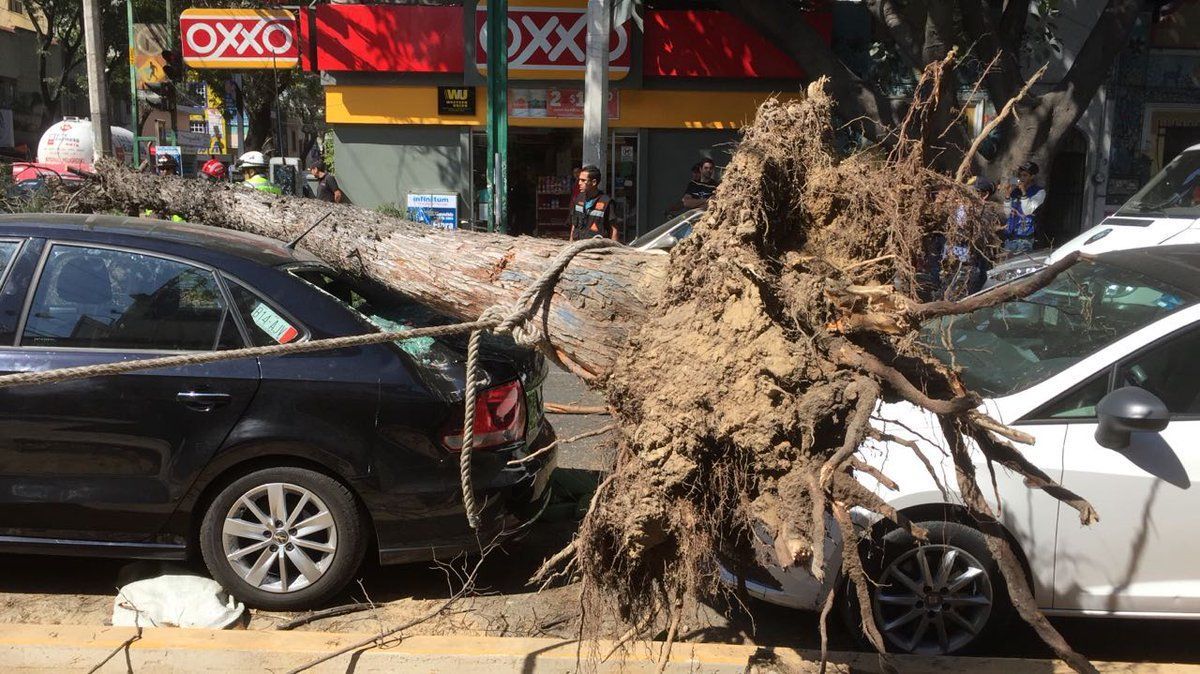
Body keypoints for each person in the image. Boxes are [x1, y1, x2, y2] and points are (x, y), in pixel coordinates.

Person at [1003, 160, 1045, 254]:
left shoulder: (1039, 192)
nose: (1021, 178)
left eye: (1025, 175)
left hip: (1025, 239)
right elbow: (1007, 213)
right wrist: (1007, 195)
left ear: (1032, 176)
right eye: (1020, 175)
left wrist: (1023, 192)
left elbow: (1027, 210)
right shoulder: (1015, 192)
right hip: (1010, 237)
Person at [567, 165, 619, 242]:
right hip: (578, 245)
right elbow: (574, 225)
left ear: (594, 182)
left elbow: (614, 230)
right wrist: (570, 243)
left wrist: (614, 248)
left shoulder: (606, 202)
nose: (579, 183)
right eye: (579, 180)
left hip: (597, 246)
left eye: (583, 180)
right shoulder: (578, 198)